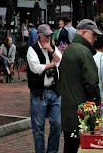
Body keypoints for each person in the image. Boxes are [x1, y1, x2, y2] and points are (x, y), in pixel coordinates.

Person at [59, 19, 102, 153]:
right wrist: (95, 106)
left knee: (69, 147)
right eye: (93, 35)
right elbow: (92, 83)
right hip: (82, 113)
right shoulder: (83, 51)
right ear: (84, 33)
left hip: (68, 111)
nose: (95, 39)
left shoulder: (69, 50)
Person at [27, 24, 62, 153]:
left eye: (50, 36)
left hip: (54, 91)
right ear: (39, 36)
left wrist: (51, 50)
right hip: (39, 92)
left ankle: (52, 151)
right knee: (38, 127)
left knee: (57, 124)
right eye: (46, 36)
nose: (48, 38)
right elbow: (36, 69)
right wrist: (52, 65)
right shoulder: (32, 49)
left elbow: (60, 61)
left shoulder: (52, 47)